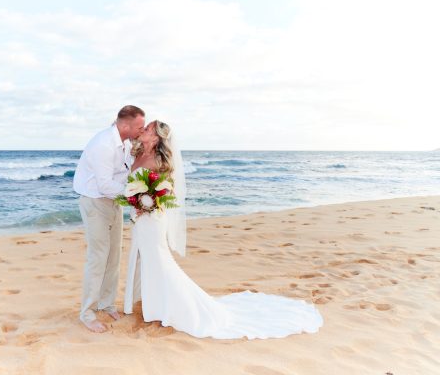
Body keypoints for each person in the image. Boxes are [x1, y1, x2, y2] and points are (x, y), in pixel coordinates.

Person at [123, 120, 324, 339]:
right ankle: (153, 304)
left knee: (159, 261)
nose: (144, 130)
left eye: (149, 128)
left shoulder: (158, 160)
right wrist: (136, 201)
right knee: (146, 259)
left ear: (157, 138)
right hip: (141, 219)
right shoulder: (138, 153)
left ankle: (175, 308)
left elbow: (165, 191)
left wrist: (147, 202)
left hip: (152, 219)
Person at [73, 105, 145, 333]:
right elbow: (104, 184)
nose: (142, 131)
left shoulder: (125, 142)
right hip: (95, 202)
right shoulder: (103, 144)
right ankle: (87, 313)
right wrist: (135, 195)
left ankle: (106, 303)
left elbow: (121, 174)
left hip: (114, 201)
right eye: (139, 127)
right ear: (125, 125)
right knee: (98, 258)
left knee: (114, 256)